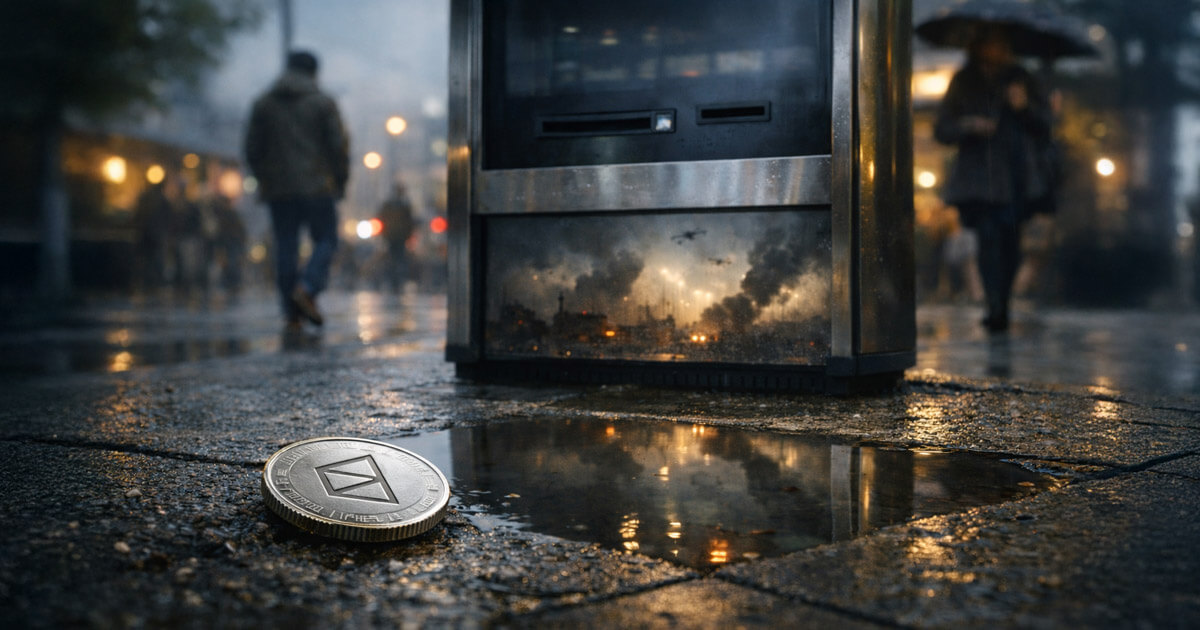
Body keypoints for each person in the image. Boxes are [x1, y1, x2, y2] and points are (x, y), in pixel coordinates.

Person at [934, 27, 1055, 333]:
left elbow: (1045, 126)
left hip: (1016, 174)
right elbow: (942, 128)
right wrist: (968, 125)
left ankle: (1003, 302)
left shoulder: (1022, 78)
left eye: (1001, 43)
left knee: (1010, 240)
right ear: (979, 45)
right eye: (990, 43)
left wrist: (1023, 106)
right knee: (987, 238)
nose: (996, 49)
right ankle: (994, 304)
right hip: (977, 178)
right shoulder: (964, 80)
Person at [244, 50, 349, 329]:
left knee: (285, 246)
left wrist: (264, 177)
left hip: (279, 189)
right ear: (314, 72)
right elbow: (338, 147)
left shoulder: (264, 104)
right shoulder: (323, 103)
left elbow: (252, 149)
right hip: (317, 185)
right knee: (326, 238)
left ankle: (291, 314)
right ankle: (308, 287)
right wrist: (340, 181)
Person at [377, 181, 416, 294]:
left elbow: (381, 218)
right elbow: (409, 222)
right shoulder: (403, 206)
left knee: (394, 258)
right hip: (397, 236)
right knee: (398, 258)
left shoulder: (392, 205)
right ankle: (395, 280)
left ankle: (394, 280)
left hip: (393, 236)